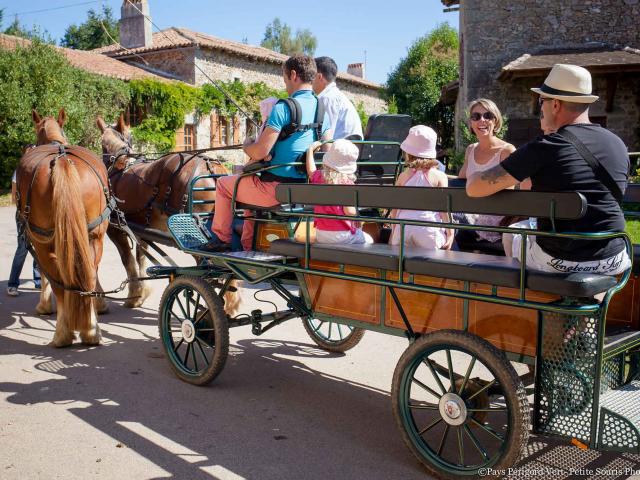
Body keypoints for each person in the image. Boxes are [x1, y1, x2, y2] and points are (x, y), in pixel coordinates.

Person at [467, 64, 631, 276]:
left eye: (541, 101)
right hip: (613, 257)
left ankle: (525, 303)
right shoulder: (617, 144)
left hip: (560, 259)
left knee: (512, 235)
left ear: (555, 104)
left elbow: (474, 188)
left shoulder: (547, 146)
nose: (540, 107)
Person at [204, 54, 332, 252]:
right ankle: (249, 245)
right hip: (305, 190)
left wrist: (246, 145)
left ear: (293, 74)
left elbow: (261, 151)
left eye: (285, 79)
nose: (286, 85)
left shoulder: (283, 108)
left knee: (223, 185)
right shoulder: (322, 109)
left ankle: (222, 239)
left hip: (275, 190)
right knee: (247, 189)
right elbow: (327, 152)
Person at [456, 99, 519, 251]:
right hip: (470, 215)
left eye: (487, 116)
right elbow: (461, 179)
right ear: (471, 123)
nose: (481, 120)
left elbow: (509, 190)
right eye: (476, 116)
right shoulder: (471, 150)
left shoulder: (507, 151)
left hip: (494, 218)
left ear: (495, 120)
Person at [389, 125, 454, 249]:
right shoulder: (439, 177)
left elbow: (394, 210)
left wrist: (394, 231)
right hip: (428, 229)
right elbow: (444, 209)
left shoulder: (403, 176)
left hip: (403, 228)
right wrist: (450, 233)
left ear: (408, 152)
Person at [305, 139, 373, 244]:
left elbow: (311, 170)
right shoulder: (347, 183)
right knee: (369, 239)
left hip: (322, 234)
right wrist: (357, 217)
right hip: (343, 235)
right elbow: (349, 211)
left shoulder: (319, 177)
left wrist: (310, 151)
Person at [313, 56, 363, 140]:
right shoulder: (335, 96)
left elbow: (326, 136)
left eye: (311, 75)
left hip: (341, 149)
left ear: (319, 77)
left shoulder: (327, 99)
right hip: (348, 147)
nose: (309, 79)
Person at [8, 169, 41, 296]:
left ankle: (38, 280)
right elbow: (13, 198)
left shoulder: (40, 168)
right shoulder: (19, 171)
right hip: (23, 215)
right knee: (23, 248)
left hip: (38, 215)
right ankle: (12, 284)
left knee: (40, 247)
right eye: (30, 148)